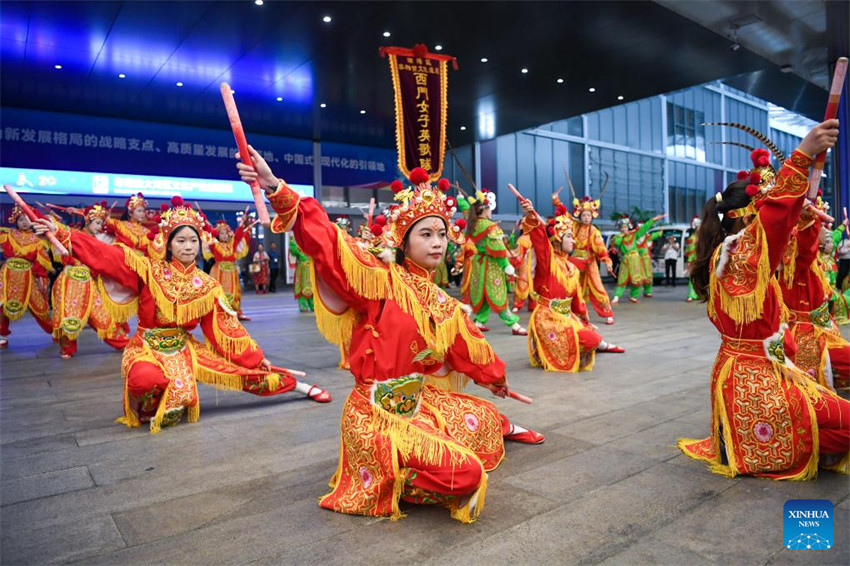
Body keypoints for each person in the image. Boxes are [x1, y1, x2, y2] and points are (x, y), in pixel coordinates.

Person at [239, 149, 539, 523]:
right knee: (468, 474)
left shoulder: (441, 302)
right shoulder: (379, 280)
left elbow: (469, 349)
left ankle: (490, 432)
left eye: (442, 234)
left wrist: (498, 380)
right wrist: (275, 186)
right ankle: (393, 474)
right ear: (403, 240)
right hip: (376, 413)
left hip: (418, 403)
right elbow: (329, 244)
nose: (437, 243)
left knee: (483, 413)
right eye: (426, 234)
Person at [33, 196, 331, 433]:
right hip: (147, 347)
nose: (188, 247)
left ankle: (299, 386)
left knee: (245, 376)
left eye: (193, 241)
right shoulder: (148, 270)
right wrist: (61, 232)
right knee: (143, 380)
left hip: (184, 349)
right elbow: (106, 255)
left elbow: (226, 329)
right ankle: (156, 402)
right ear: (168, 244)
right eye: (181, 241)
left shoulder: (207, 286)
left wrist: (256, 358)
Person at [679, 119, 849, 479]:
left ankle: (738, 437)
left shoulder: (739, 255)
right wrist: (802, 155)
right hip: (757, 384)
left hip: (768, 371)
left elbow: (793, 245)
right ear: (748, 218)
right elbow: (775, 220)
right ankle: (742, 439)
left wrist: (804, 221)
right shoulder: (740, 257)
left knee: (838, 422)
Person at [519, 198, 624, 372]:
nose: (573, 241)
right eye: (568, 237)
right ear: (557, 239)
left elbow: (576, 299)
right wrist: (530, 213)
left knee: (590, 334)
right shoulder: (549, 262)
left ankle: (599, 344)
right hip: (548, 318)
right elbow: (540, 241)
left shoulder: (572, 267)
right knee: (587, 340)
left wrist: (584, 317)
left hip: (567, 316)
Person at [50, 202, 130, 358]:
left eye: (101, 224)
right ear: (88, 221)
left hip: (88, 281)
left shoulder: (99, 241)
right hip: (71, 280)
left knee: (101, 314)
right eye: (98, 223)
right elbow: (57, 232)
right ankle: (67, 349)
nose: (100, 227)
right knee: (69, 315)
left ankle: (122, 342)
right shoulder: (73, 234)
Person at [461, 190, 527, 335]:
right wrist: (506, 265)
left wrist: (461, 200)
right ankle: (514, 324)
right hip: (491, 266)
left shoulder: (472, 225)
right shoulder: (490, 227)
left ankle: (478, 322)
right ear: (484, 210)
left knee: (484, 295)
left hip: (478, 265)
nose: (491, 211)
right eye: (489, 208)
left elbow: (466, 209)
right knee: (498, 296)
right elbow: (498, 250)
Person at [0, 205, 54, 348]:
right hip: (8, 276)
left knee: (39, 307)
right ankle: (2, 334)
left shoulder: (38, 239)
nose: (24, 222)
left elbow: (40, 263)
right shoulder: (7, 234)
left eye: (27, 219)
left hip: (28, 276)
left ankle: (53, 330)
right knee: (2, 305)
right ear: (15, 221)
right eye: (21, 219)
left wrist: (41, 279)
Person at [561, 191, 615, 325]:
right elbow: (565, 215)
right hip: (575, 262)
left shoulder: (594, 231)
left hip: (590, 262)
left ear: (592, 216)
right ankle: (574, 312)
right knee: (572, 285)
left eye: (589, 215)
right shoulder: (575, 227)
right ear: (580, 216)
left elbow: (600, 248)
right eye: (584, 215)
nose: (586, 218)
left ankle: (607, 313)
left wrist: (606, 260)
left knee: (597, 285)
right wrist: (557, 201)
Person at [203, 217, 252, 321]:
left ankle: (235, 311)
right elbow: (209, 233)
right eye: (221, 233)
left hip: (232, 272)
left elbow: (238, 236)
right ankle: (219, 312)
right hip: (219, 271)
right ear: (218, 234)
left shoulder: (232, 244)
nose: (224, 235)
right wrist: (205, 222)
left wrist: (242, 222)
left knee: (234, 292)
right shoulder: (214, 244)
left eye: (226, 233)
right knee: (220, 292)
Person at [610, 214, 665, 303]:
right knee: (622, 278)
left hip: (635, 259)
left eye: (625, 227)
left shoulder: (634, 234)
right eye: (621, 227)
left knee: (637, 278)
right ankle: (616, 296)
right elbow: (616, 242)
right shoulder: (618, 237)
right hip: (625, 259)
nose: (623, 229)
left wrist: (653, 220)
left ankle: (634, 296)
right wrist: (622, 236)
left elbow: (644, 228)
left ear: (628, 227)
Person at [288, 236, 314, 312]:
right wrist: (292, 241)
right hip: (302, 271)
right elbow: (293, 251)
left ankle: (313, 305)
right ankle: (303, 306)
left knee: (312, 288)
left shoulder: (312, 247)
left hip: (311, 270)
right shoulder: (298, 247)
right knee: (301, 287)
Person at [637, 227, 662, 297]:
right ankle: (635, 293)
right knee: (637, 276)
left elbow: (653, 235)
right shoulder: (635, 237)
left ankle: (647, 291)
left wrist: (659, 233)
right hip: (636, 259)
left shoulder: (647, 237)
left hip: (646, 259)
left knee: (648, 275)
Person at [684, 217, 701, 302]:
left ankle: (698, 294)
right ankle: (691, 294)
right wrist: (690, 261)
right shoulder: (692, 238)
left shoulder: (702, 237)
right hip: (694, 260)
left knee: (699, 278)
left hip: (701, 259)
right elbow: (690, 251)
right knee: (692, 277)